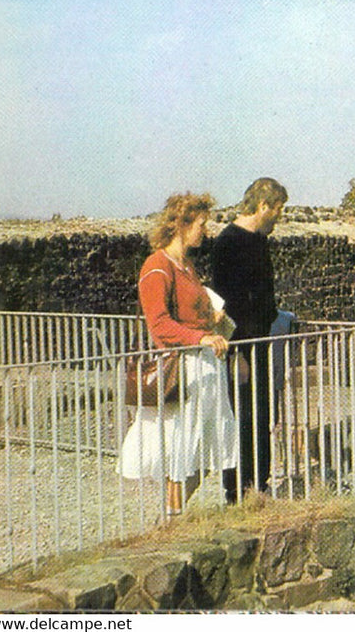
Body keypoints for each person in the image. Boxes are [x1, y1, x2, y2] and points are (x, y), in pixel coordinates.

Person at [118, 193, 238, 516]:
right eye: (201, 224)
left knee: (206, 447)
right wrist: (200, 336)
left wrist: (210, 318)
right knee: (183, 449)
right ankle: (172, 519)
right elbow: (159, 324)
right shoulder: (157, 266)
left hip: (205, 364)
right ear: (181, 225)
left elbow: (187, 312)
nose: (205, 232)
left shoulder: (186, 266)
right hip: (184, 366)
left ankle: (173, 516)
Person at [211, 177, 287, 504]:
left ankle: (259, 484)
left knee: (261, 413)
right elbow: (226, 304)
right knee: (240, 416)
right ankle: (237, 490)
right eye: (278, 209)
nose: (279, 216)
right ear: (263, 205)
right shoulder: (228, 243)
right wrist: (236, 353)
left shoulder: (259, 241)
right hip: (241, 345)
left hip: (260, 340)